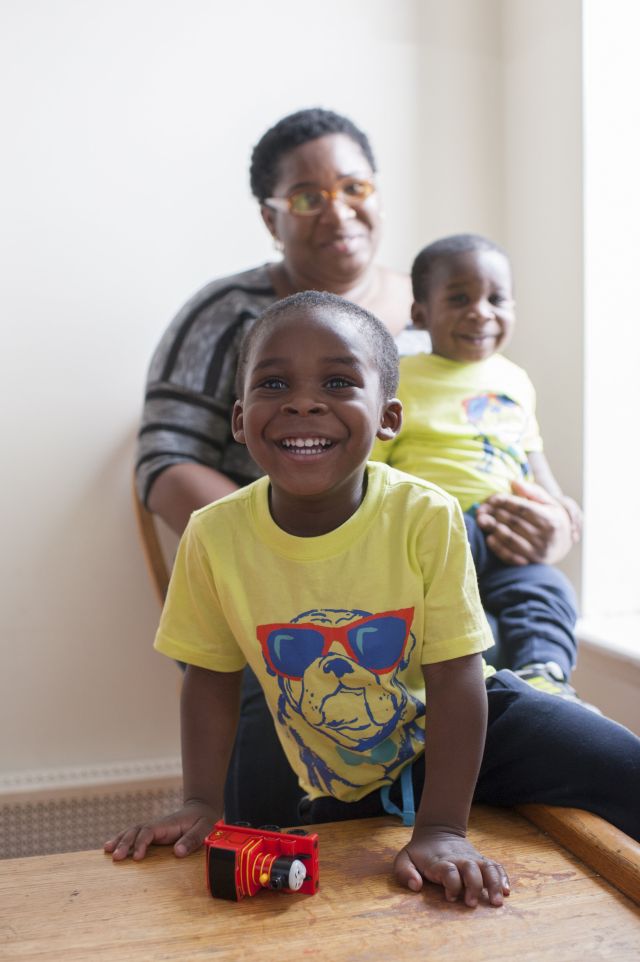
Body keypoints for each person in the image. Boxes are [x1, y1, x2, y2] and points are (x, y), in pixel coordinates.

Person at [107, 292, 640, 906]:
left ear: (388, 419)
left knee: (622, 764)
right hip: (339, 766)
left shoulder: (424, 514)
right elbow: (209, 676)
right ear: (239, 418)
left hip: (468, 723)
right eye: (274, 383)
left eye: (337, 381)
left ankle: (528, 708)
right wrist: (201, 802)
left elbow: (454, 672)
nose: (303, 401)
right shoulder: (213, 533)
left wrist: (441, 829)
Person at [135, 110, 576, 824]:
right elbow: (162, 460)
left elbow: (501, 430)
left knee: (504, 642)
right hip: (284, 584)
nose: (335, 208)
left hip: (426, 550)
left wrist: (554, 521)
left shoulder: (434, 307)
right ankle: (272, 840)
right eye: (307, 196)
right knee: (284, 670)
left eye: (353, 186)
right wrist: (281, 556)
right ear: (270, 217)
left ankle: (458, 815)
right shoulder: (222, 313)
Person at [370, 234, 586, 700]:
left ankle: (544, 676)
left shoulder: (515, 380)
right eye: (460, 298)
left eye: (497, 298)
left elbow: (531, 458)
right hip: (437, 529)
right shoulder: (399, 378)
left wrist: (560, 504)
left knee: (547, 589)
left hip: (506, 531)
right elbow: (373, 469)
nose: (482, 311)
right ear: (421, 314)